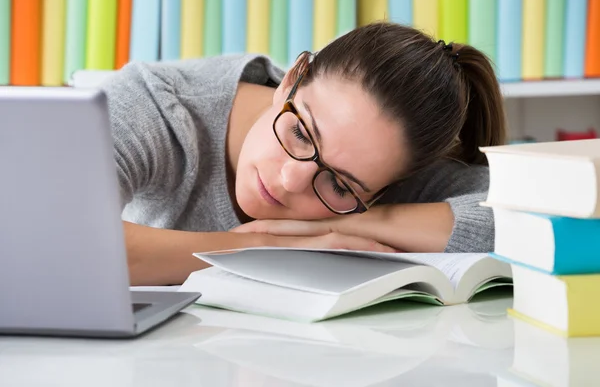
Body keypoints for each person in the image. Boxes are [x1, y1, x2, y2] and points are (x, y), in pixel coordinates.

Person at [99, 22, 506, 286]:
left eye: (338, 184)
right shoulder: (155, 105)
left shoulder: (382, 160)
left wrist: (360, 226)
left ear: (378, 193)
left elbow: (533, 216)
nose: (291, 179)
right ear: (291, 80)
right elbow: (71, 242)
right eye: (300, 132)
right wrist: (263, 249)